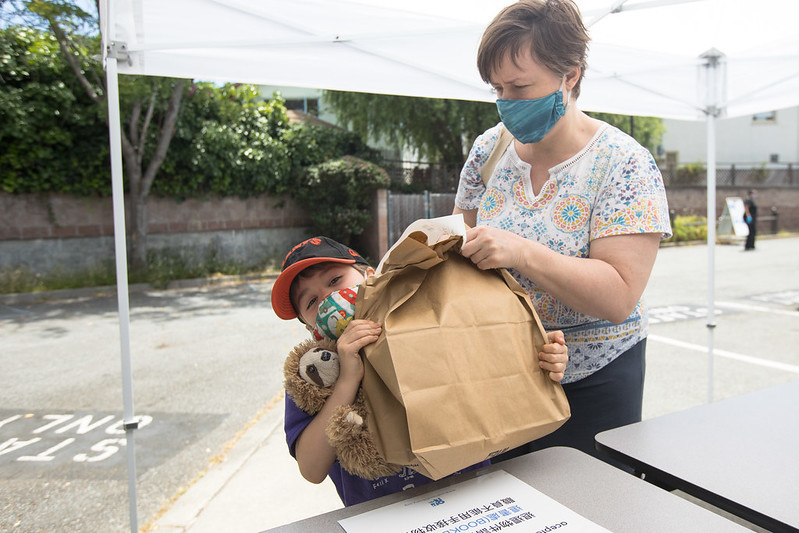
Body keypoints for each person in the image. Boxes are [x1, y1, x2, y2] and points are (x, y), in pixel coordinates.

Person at [453, 0, 672, 464]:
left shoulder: (623, 164)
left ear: (570, 74)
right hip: (503, 369)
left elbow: (617, 297)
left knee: (591, 506)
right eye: (498, 88)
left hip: (596, 377)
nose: (507, 102)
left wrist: (522, 253)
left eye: (521, 85)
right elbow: (456, 243)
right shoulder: (489, 150)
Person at [270, 235, 569, 506]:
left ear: (370, 275)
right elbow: (311, 469)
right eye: (311, 301)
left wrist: (541, 358)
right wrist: (348, 378)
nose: (327, 298)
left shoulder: (427, 321)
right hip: (381, 518)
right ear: (311, 327)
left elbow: (494, 369)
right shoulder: (313, 374)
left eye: (335, 279)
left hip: (471, 499)